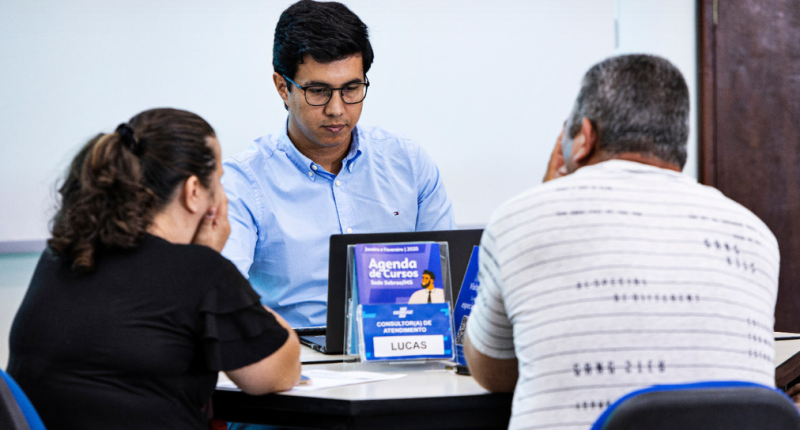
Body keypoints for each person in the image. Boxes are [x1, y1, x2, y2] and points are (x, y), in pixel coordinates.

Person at [464, 54, 779, 430]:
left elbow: (491, 372)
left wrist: (549, 199)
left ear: (584, 136)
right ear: (679, 145)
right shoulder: (754, 233)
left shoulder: (520, 218)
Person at [7, 108, 301, 430]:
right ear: (193, 192)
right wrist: (213, 262)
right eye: (217, 180)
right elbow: (277, 373)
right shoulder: (199, 270)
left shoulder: (62, 255)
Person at [221, 0, 456, 328]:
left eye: (351, 88)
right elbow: (222, 292)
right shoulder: (243, 181)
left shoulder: (408, 163)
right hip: (300, 361)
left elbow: (447, 275)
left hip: (402, 346)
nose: (336, 109)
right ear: (282, 88)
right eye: (318, 91)